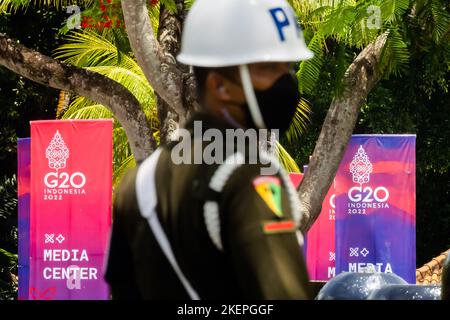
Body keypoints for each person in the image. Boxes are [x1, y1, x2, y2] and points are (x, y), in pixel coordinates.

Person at [104, 0, 314, 299]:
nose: (288, 82)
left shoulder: (136, 184)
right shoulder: (250, 179)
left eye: (289, 67)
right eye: (269, 68)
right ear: (220, 87)